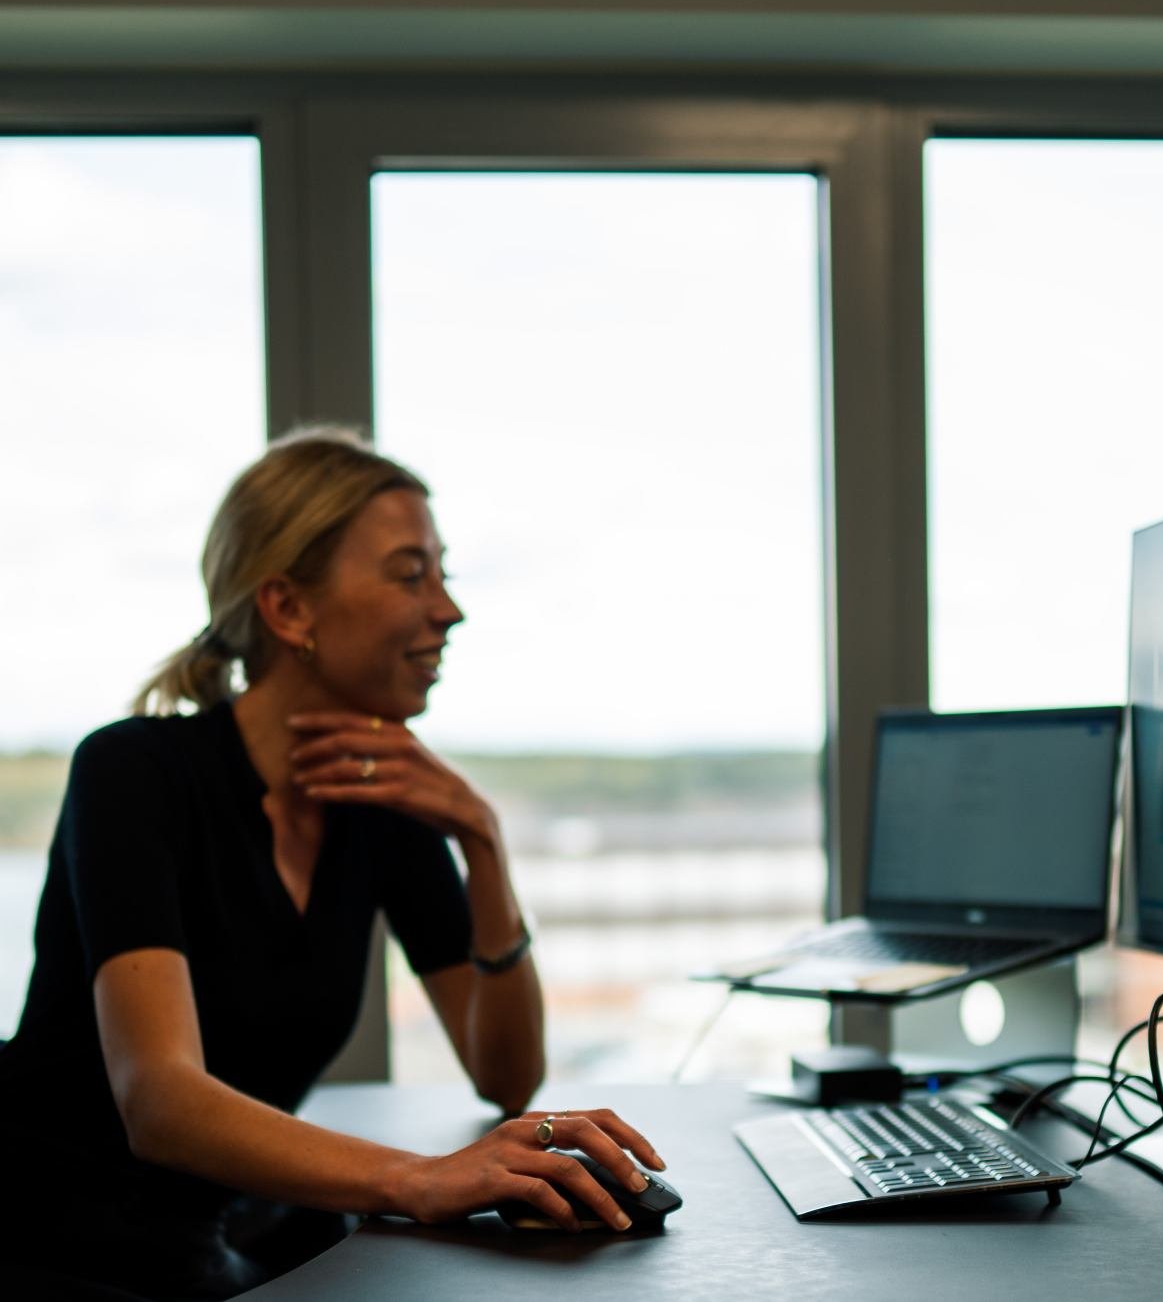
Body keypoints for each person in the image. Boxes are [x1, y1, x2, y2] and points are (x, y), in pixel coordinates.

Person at [0, 429, 666, 1299]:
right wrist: (420, 1175)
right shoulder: (133, 771)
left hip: (212, 1229)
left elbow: (504, 1074)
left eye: (444, 572)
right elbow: (158, 1099)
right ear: (288, 609)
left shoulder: (387, 805)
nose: (448, 610)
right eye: (409, 573)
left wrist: (484, 843)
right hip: (47, 1234)